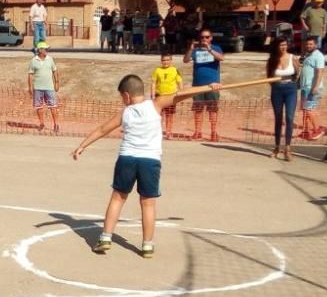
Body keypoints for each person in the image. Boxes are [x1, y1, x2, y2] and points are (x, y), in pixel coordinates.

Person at [71, 75, 223, 258]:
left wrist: (82, 146)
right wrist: (208, 86)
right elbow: (181, 94)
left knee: (118, 198)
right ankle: (147, 246)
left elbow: (103, 129)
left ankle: (105, 238)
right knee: (148, 204)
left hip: (127, 159)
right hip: (150, 161)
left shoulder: (125, 112)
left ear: (126, 96)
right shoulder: (156, 104)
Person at [182, 28, 224, 141]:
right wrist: (190, 49)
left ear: (211, 38)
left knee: (213, 110)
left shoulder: (216, 48)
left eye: (207, 37)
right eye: (202, 37)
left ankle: (214, 132)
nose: (204, 39)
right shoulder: (196, 50)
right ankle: (197, 132)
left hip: (213, 85)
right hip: (197, 85)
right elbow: (185, 60)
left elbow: (221, 58)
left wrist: (209, 49)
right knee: (198, 109)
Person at [266, 38, 301, 161]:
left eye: (285, 45)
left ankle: (287, 148)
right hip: (277, 90)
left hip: (291, 89)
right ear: (276, 46)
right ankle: (276, 147)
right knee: (278, 118)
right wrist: (277, 86)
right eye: (281, 45)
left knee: (290, 118)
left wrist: (291, 84)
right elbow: (269, 77)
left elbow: (297, 74)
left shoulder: (293, 58)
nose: (283, 47)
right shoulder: (272, 60)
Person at [28, 41, 60, 133]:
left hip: (49, 87)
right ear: (40, 50)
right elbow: (30, 75)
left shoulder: (50, 59)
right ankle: (41, 124)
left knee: (53, 106)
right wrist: (30, 88)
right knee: (39, 107)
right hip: (37, 88)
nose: (47, 50)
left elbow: (55, 71)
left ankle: (56, 124)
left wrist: (57, 83)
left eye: (47, 49)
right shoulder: (34, 61)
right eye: (45, 49)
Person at [298, 36, 326, 139]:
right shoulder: (308, 55)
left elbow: (320, 72)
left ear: (315, 45)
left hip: (312, 88)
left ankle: (317, 129)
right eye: (307, 44)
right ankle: (305, 131)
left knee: (309, 110)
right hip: (305, 87)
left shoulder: (318, 56)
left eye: (310, 44)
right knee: (305, 110)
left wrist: (316, 87)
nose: (308, 46)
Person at [151, 53, 183, 139]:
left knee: (169, 115)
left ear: (171, 61)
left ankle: (169, 132)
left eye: (168, 60)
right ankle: (158, 132)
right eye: (164, 60)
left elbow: (180, 82)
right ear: (161, 61)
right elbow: (153, 83)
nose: (166, 62)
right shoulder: (157, 70)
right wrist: (153, 95)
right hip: (160, 96)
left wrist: (182, 93)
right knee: (159, 115)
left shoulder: (175, 70)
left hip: (171, 97)